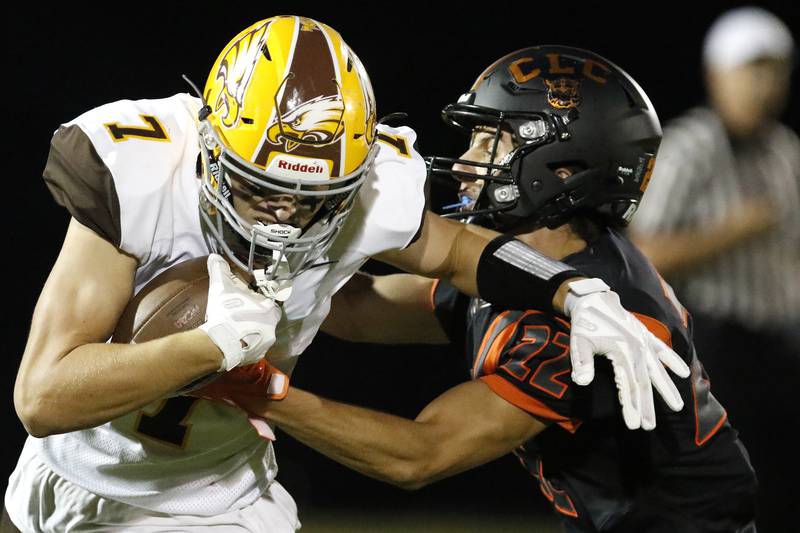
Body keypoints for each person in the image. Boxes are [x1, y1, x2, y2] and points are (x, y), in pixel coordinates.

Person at [3, 18, 685, 532]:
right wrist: (205, 348)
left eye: (314, 199)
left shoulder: (371, 190)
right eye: (259, 187)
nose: (285, 214)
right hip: (62, 468)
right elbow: (42, 397)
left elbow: (457, 251)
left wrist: (568, 287)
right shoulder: (142, 168)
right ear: (209, 147)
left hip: (208, 501)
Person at [208, 46, 757, 533]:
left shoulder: (586, 312)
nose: (469, 161)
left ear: (563, 166)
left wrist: (258, 390)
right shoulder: (530, 265)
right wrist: (288, 230)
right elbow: (354, 310)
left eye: (490, 140)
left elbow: (420, 455)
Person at [629, 8, 799, 532]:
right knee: (725, 493)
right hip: (713, 347)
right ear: (716, 75)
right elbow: (642, 252)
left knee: (783, 489)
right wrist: (734, 230)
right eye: (750, 70)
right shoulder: (690, 147)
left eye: (774, 71)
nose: (763, 85)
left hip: (780, 346)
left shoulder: (784, 150)